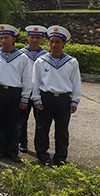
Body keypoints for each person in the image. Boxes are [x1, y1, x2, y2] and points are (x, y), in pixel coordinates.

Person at [33, 25, 82, 166]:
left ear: (64, 44)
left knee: (62, 130)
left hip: (63, 99)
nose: (54, 45)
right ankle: (42, 154)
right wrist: (36, 99)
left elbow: (76, 83)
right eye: (52, 41)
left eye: (58, 42)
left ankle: (60, 157)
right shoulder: (41, 61)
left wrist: (75, 101)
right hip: (46, 98)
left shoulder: (71, 62)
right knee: (42, 128)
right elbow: (35, 82)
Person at [0, 24, 31, 164]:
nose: (3, 40)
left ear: (13, 39)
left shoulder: (22, 58)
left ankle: (13, 151)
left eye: (6, 37)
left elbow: (26, 78)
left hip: (15, 92)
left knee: (14, 123)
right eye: (1, 38)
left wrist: (25, 97)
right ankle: (0, 149)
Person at [18, 24, 49, 153]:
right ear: (27, 37)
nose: (35, 40)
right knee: (21, 120)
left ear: (42, 39)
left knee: (41, 122)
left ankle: (40, 148)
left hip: (40, 93)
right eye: (32, 37)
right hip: (24, 91)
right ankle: (22, 142)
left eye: (38, 37)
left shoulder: (47, 56)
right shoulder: (20, 54)